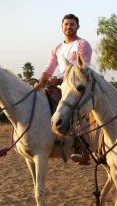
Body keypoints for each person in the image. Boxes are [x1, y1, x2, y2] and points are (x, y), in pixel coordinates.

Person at [35, 14, 92, 165]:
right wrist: (40, 82)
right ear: (62, 27)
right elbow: (49, 68)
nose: (69, 27)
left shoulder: (82, 44)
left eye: (72, 24)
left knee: (75, 109)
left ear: (77, 26)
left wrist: (59, 80)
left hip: (76, 85)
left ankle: (82, 148)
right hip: (60, 84)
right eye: (66, 24)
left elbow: (81, 69)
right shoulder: (57, 48)